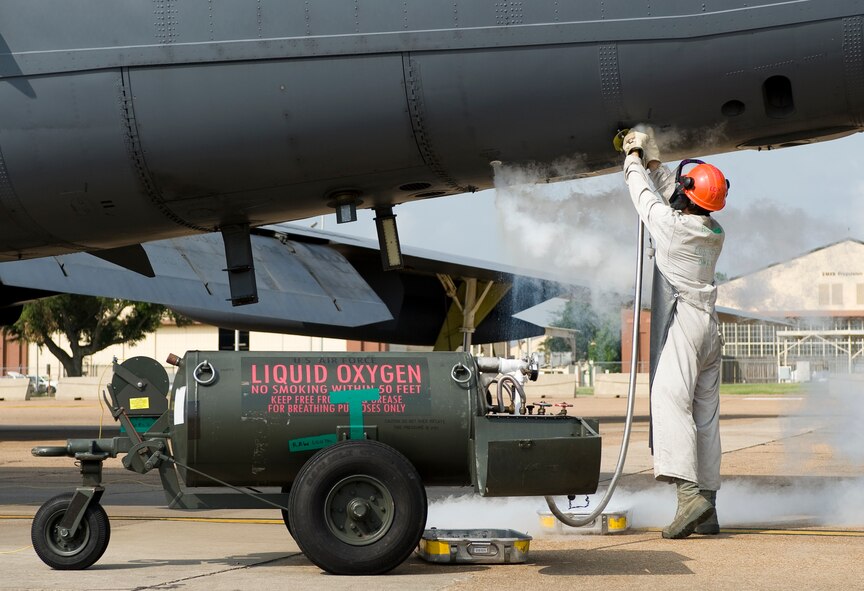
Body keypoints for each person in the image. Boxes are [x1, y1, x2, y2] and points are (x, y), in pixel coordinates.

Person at [621, 130, 729, 539]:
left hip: (686, 323)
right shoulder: (714, 231)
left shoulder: (671, 228)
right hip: (710, 329)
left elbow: (644, 196)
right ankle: (710, 505)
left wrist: (633, 156)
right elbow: (675, 193)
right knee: (706, 417)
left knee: (669, 400)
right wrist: (655, 163)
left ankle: (688, 499)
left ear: (687, 197)